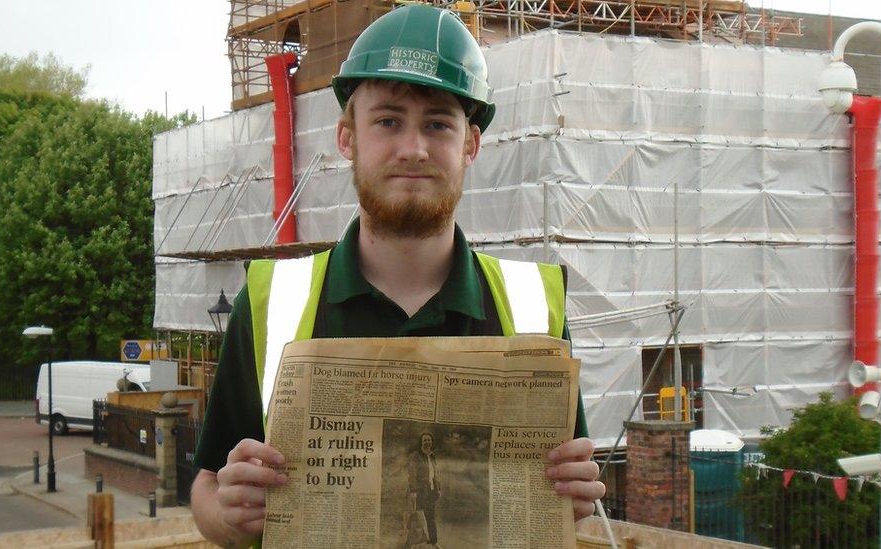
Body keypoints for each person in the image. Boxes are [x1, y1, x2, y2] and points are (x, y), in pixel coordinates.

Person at [190, 5, 605, 547]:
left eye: (438, 123)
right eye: (388, 121)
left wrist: (578, 496)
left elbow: (572, 492)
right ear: (347, 139)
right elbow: (204, 486)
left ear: (471, 145)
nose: (414, 148)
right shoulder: (272, 300)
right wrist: (230, 514)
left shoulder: (535, 306)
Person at [409, 432, 441, 547]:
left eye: (429, 440)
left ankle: (434, 542)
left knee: (431, 517)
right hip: (420, 491)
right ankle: (415, 542)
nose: (427, 442)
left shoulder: (432, 456)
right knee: (419, 517)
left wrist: (438, 489)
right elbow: (412, 474)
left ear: (431, 442)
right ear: (421, 442)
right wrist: (413, 491)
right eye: (424, 440)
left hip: (431, 491)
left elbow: (436, 474)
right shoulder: (415, 456)